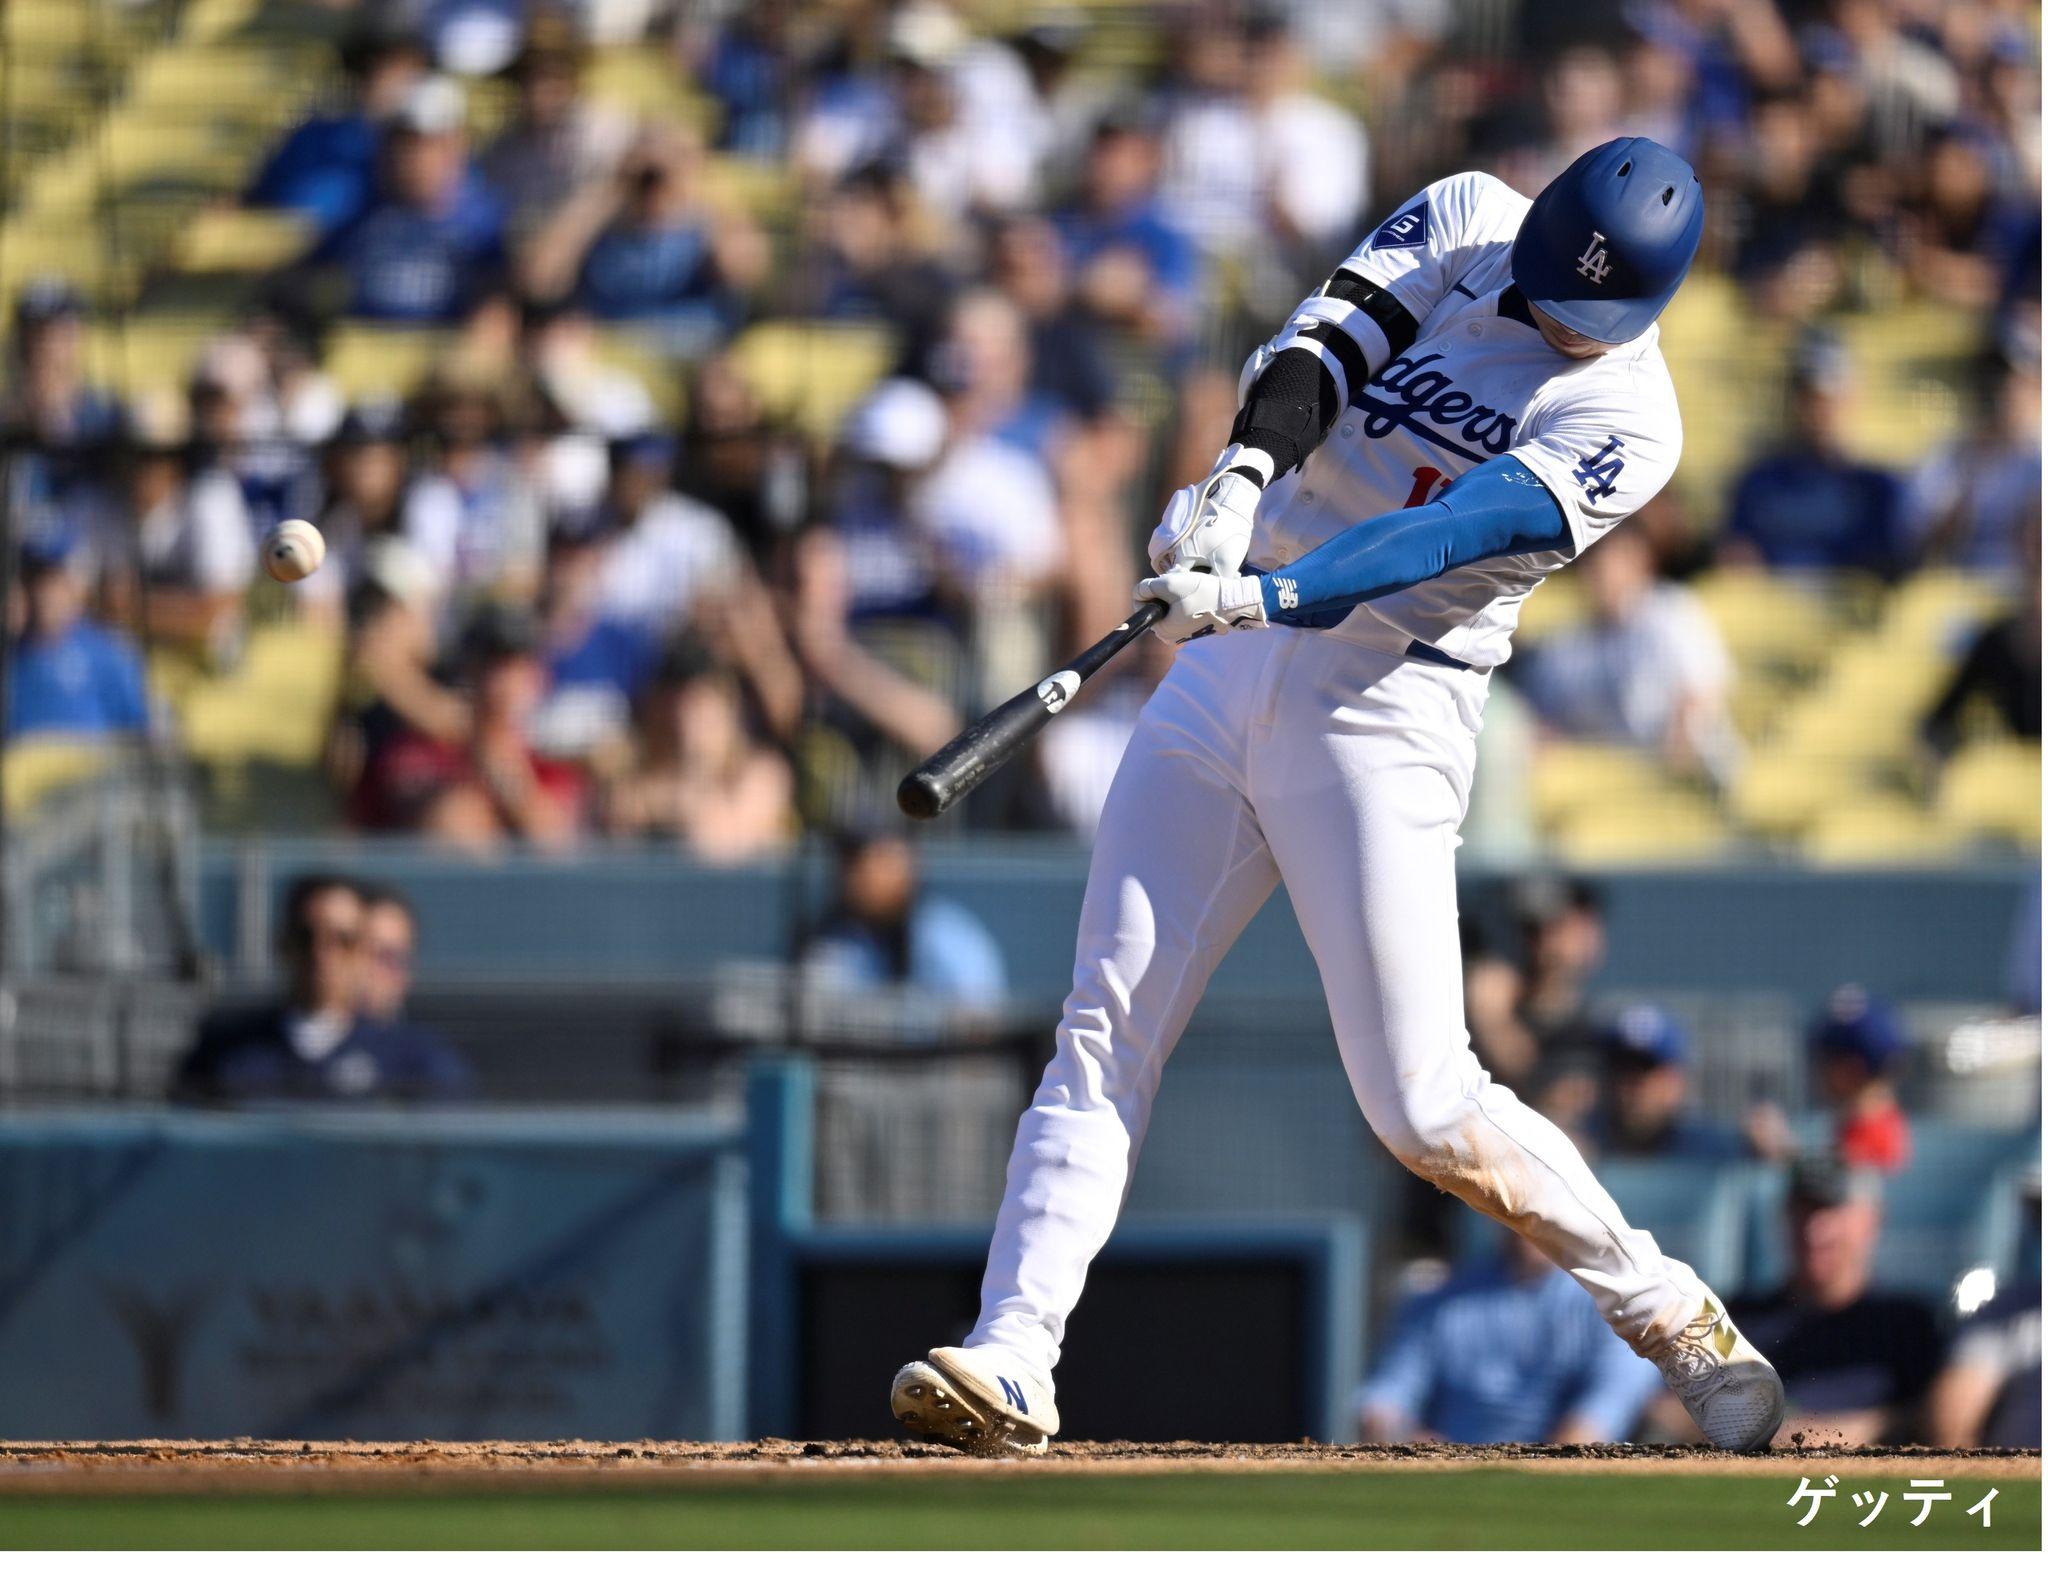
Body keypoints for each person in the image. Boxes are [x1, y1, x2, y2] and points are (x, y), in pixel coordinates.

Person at [890, 138, 1786, 1456]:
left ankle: (1673, 1313)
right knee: (1106, 1020)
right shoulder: (1480, 216)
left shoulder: (1635, 424)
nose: (1545, 310)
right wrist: (1233, 495)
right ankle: (1017, 1350)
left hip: (1387, 703)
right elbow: (1318, 353)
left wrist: (1260, 587)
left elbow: (1448, 534)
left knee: (1421, 1104)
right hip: (1228, 665)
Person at [174, 874, 471, 1103]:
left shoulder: (415, 1063)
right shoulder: (226, 1055)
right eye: (307, 937)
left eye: (342, 940)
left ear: (364, 953)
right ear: (283, 945)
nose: (322, 953)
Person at [1357, 1230, 1664, 1445]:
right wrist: (1404, 1439)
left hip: (1558, 1482)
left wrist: (1544, 1471)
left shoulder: (1613, 1304)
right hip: (1447, 1477)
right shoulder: (1438, 1301)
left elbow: (1604, 1411)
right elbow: (1383, 1402)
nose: (1527, 1216)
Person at [1722, 1157, 1944, 1448]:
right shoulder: (1738, 1317)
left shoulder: (1906, 1323)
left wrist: (1849, 1431)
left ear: (1871, 1220)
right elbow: (1670, 1409)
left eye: (1832, 1210)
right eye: (1803, 1211)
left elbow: (1934, 1419)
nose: (1815, 1231)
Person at [1517, 524, 1738, 782]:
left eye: (1613, 560)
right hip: (1612, 781)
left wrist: (1672, 773)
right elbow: (1545, 722)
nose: (1601, 573)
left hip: (1687, 776)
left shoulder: (1673, 613)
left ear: (1641, 561)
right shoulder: (1568, 642)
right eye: (1593, 563)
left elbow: (1699, 698)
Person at [1720, 330, 1904, 575]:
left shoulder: (1877, 489)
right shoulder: (1757, 482)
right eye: (1808, 397)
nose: (1819, 411)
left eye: (1829, 399)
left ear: (1852, 398)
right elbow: (1736, 558)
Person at [801, 830, 1007, 1010]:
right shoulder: (836, 937)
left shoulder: (945, 935)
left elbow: (980, 1020)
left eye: (873, 859)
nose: (859, 874)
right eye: (850, 861)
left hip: (939, 1054)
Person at [4, 532, 151, 741]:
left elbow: (137, 732)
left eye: (54, 581)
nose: (44, 594)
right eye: (34, 581)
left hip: (92, 768)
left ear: (75, 586)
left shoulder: (108, 652)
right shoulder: (11, 655)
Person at [1578, 1004, 1747, 1161]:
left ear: (1675, 1080)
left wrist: (1761, 1152)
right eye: (1619, 1069)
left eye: (1644, 1071)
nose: (1628, 1085)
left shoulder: (1712, 1151)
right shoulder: (1578, 1145)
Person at [354, 881, 474, 1084]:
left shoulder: (430, 1064)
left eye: (392, 957)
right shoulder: (289, 1045)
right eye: (363, 952)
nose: (372, 969)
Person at [1809, 985, 1914, 1174]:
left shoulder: (1876, 1131)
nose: (1818, 1071)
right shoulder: (1853, 1121)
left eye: (1826, 1060)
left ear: (1852, 1069)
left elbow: (1858, 1185)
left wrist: (1785, 1156)